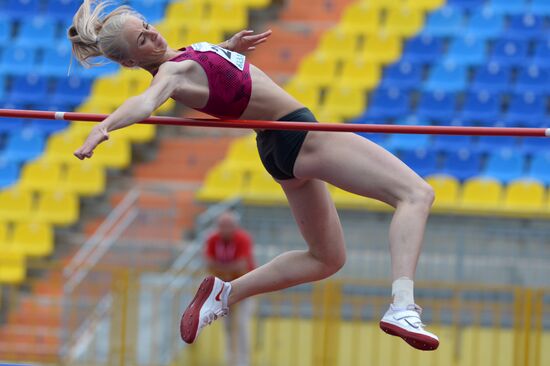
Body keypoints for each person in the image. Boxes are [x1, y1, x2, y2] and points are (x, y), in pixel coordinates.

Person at [69, 0, 439, 351]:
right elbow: (145, 103)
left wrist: (229, 47)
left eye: (147, 26)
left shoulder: (183, 57)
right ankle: (402, 306)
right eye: (142, 40)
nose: (153, 35)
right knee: (415, 194)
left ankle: (225, 294)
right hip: (298, 134)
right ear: (132, 61)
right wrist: (105, 127)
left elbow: (209, 71)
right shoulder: (171, 73)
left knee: (326, 259)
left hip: (276, 147)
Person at [204, 211, 256, 366]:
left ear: (235, 227)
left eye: (228, 226)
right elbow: (208, 264)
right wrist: (229, 270)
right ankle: (230, 360)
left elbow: (242, 266)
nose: (225, 229)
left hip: (245, 289)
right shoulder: (213, 239)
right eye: (222, 226)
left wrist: (221, 269)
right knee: (227, 327)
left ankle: (243, 362)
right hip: (223, 291)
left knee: (241, 326)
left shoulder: (243, 239)